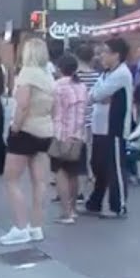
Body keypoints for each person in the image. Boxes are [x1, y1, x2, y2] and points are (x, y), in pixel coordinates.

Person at [0, 38, 56, 245]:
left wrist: (15, 127)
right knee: (39, 181)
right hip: (45, 130)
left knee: (11, 179)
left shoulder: (27, 74)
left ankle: (20, 226)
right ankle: (36, 226)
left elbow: (22, 105)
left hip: (25, 130)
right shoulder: (49, 76)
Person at [84, 37, 134, 218]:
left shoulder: (121, 74)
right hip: (100, 126)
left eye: (105, 52)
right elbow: (93, 94)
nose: (101, 56)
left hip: (114, 128)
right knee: (98, 165)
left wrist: (100, 96)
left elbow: (97, 94)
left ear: (116, 55)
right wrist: (100, 96)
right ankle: (95, 202)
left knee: (114, 167)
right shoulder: (106, 73)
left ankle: (118, 205)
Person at [49, 55, 89, 225]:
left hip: (60, 135)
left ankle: (66, 212)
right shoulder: (82, 87)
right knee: (74, 173)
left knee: (60, 173)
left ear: (59, 69)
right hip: (79, 135)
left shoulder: (56, 87)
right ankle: (73, 208)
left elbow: (52, 110)